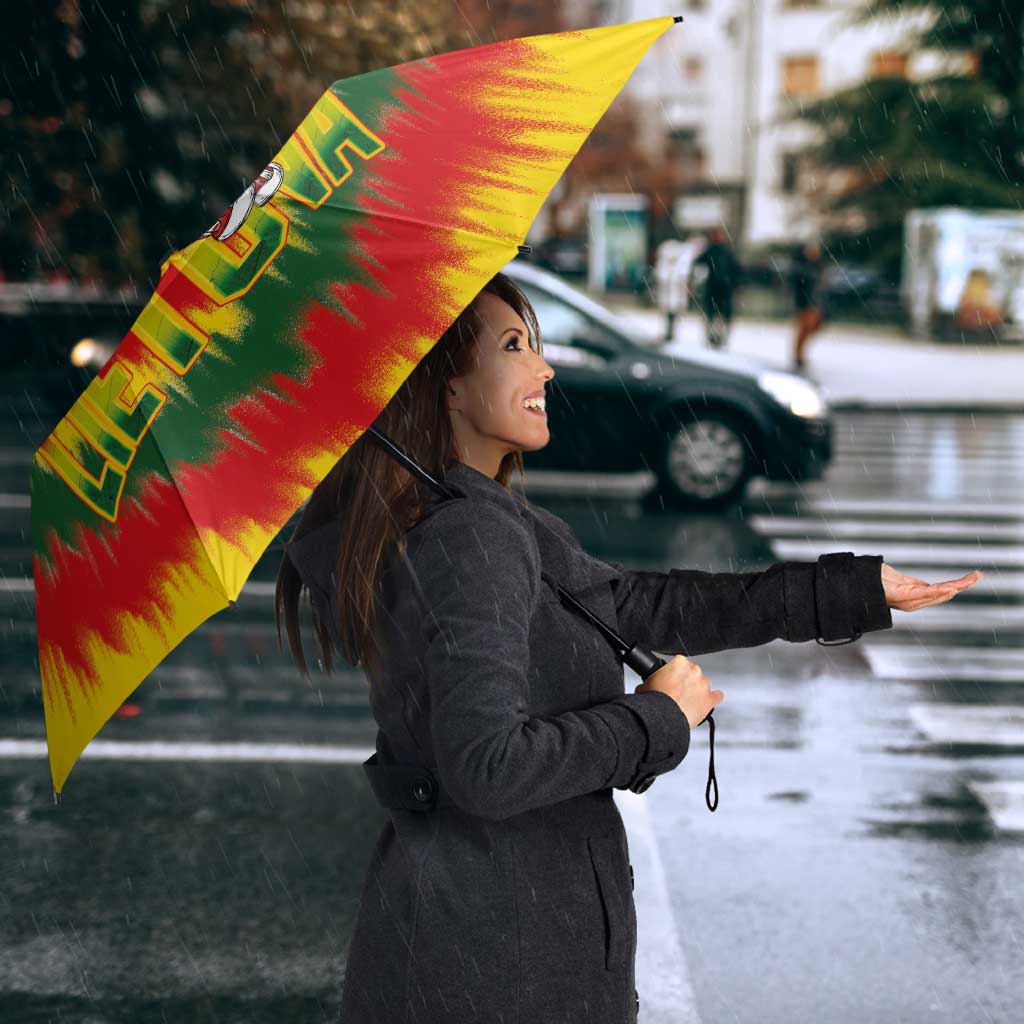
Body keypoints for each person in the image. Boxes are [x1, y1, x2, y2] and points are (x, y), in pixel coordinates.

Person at [275, 271, 978, 1024]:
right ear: (445, 384)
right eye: (514, 346)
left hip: (478, 943)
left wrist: (850, 591)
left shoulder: (474, 517)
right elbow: (487, 767)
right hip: (497, 962)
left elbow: (640, 605)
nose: (544, 367)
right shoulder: (469, 536)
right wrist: (655, 719)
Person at [692, 226, 742, 349]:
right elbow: (698, 264)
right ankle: (713, 337)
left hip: (723, 288)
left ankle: (719, 337)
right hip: (715, 288)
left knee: (720, 315)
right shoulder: (712, 251)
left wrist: (735, 284)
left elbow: (736, 270)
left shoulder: (725, 252)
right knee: (713, 314)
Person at [790, 239, 826, 370]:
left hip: (814, 303)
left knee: (812, 328)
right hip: (805, 303)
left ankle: (799, 354)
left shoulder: (817, 266)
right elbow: (799, 286)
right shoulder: (802, 267)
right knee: (804, 329)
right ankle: (798, 355)